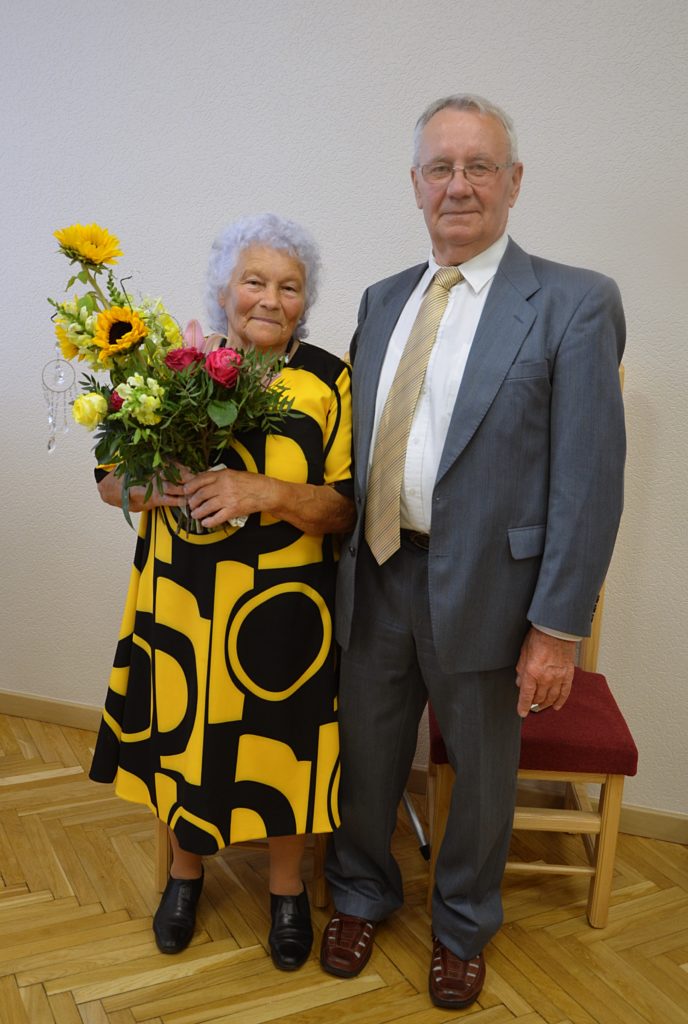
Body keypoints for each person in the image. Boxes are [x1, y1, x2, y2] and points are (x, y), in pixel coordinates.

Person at [320, 95, 625, 1009]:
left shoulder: (574, 302)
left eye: (479, 167)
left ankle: (461, 925)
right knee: (368, 756)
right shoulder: (381, 300)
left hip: (496, 590)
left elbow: (588, 482)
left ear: (513, 182)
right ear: (415, 184)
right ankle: (360, 892)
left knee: (485, 776)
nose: (458, 186)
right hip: (377, 572)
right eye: (440, 168)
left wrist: (558, 628)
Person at [90, 213, 354, 971]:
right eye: (254, 281)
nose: (270, 298)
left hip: (286, 605)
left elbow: (344, 508)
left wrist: (264, 490)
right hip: (182, 600)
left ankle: (286, 890)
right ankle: (184, 875)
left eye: (289, 287)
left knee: (286, 742)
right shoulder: (172, 368)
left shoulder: (329, 378)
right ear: (224, 290)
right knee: (182, 730)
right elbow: (109, 484)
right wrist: (162, 485)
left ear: (306, 301)